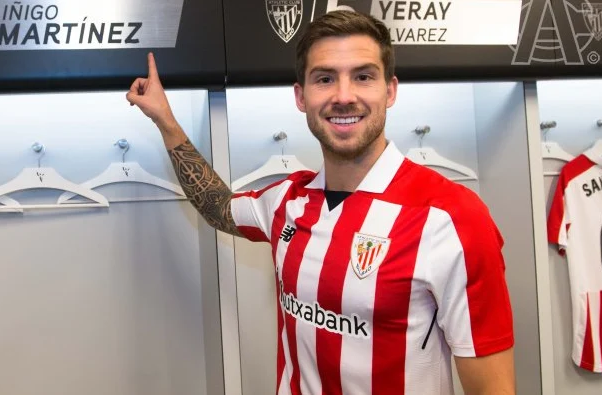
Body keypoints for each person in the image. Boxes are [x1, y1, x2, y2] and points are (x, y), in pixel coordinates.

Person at [126, 10, 515, 395]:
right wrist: (166, 121)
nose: (344, 96)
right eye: (325, 79)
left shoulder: (452, 219)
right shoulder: (286, 202)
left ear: (390, 90)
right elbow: (217, 206)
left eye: (363, 76)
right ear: (301, 96)